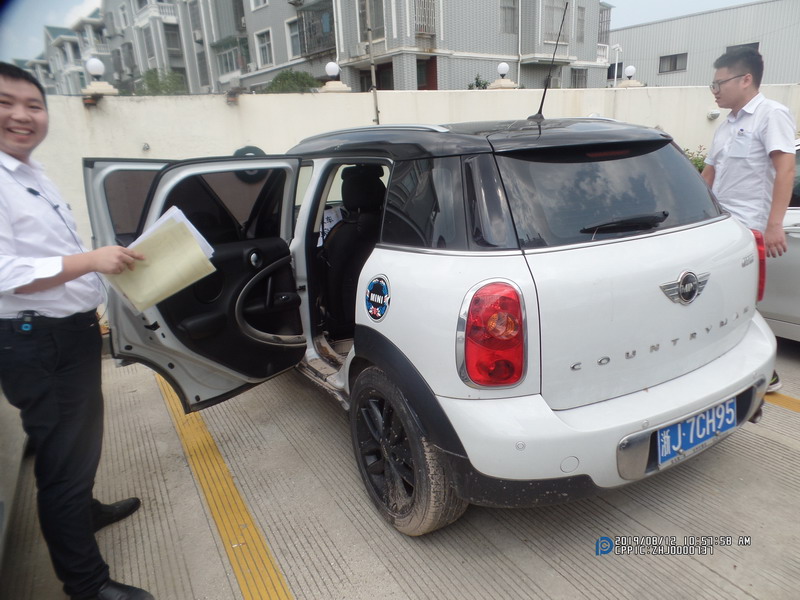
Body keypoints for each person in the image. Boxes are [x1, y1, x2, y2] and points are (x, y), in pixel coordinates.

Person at [0, 63, 153, 599]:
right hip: (36, 339)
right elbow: (4, 272)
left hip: (66, 333)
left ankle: (83, 513)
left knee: (79, 441)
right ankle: (87, 586)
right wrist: (90, 260)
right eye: (5, 103)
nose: (21, 115)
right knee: (63, 461)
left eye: (33, 105)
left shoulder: (29, 174)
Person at [701, 47, 796, 393]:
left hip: (750, 230)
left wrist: (774, 225)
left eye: (719, 83)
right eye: (712, 85)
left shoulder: (771, 115)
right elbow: (708, 176)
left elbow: (786, 170)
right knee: (718, 298)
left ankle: (764, 371)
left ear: (746, 79)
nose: (714, 90)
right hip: (720, 228)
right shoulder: (727, 125)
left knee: (742, 302)